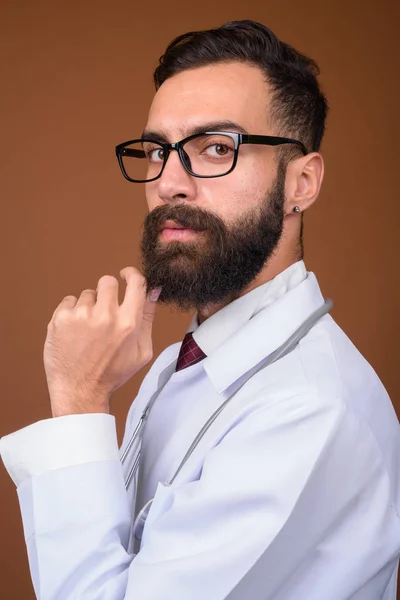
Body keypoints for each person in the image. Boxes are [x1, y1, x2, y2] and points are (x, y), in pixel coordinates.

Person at [0, 19, 399, 600]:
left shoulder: (306, 411)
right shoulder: (177, 362)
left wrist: (78, 398)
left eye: (216, 148)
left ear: (302, 183)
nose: (170, 182)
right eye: (159, 150)